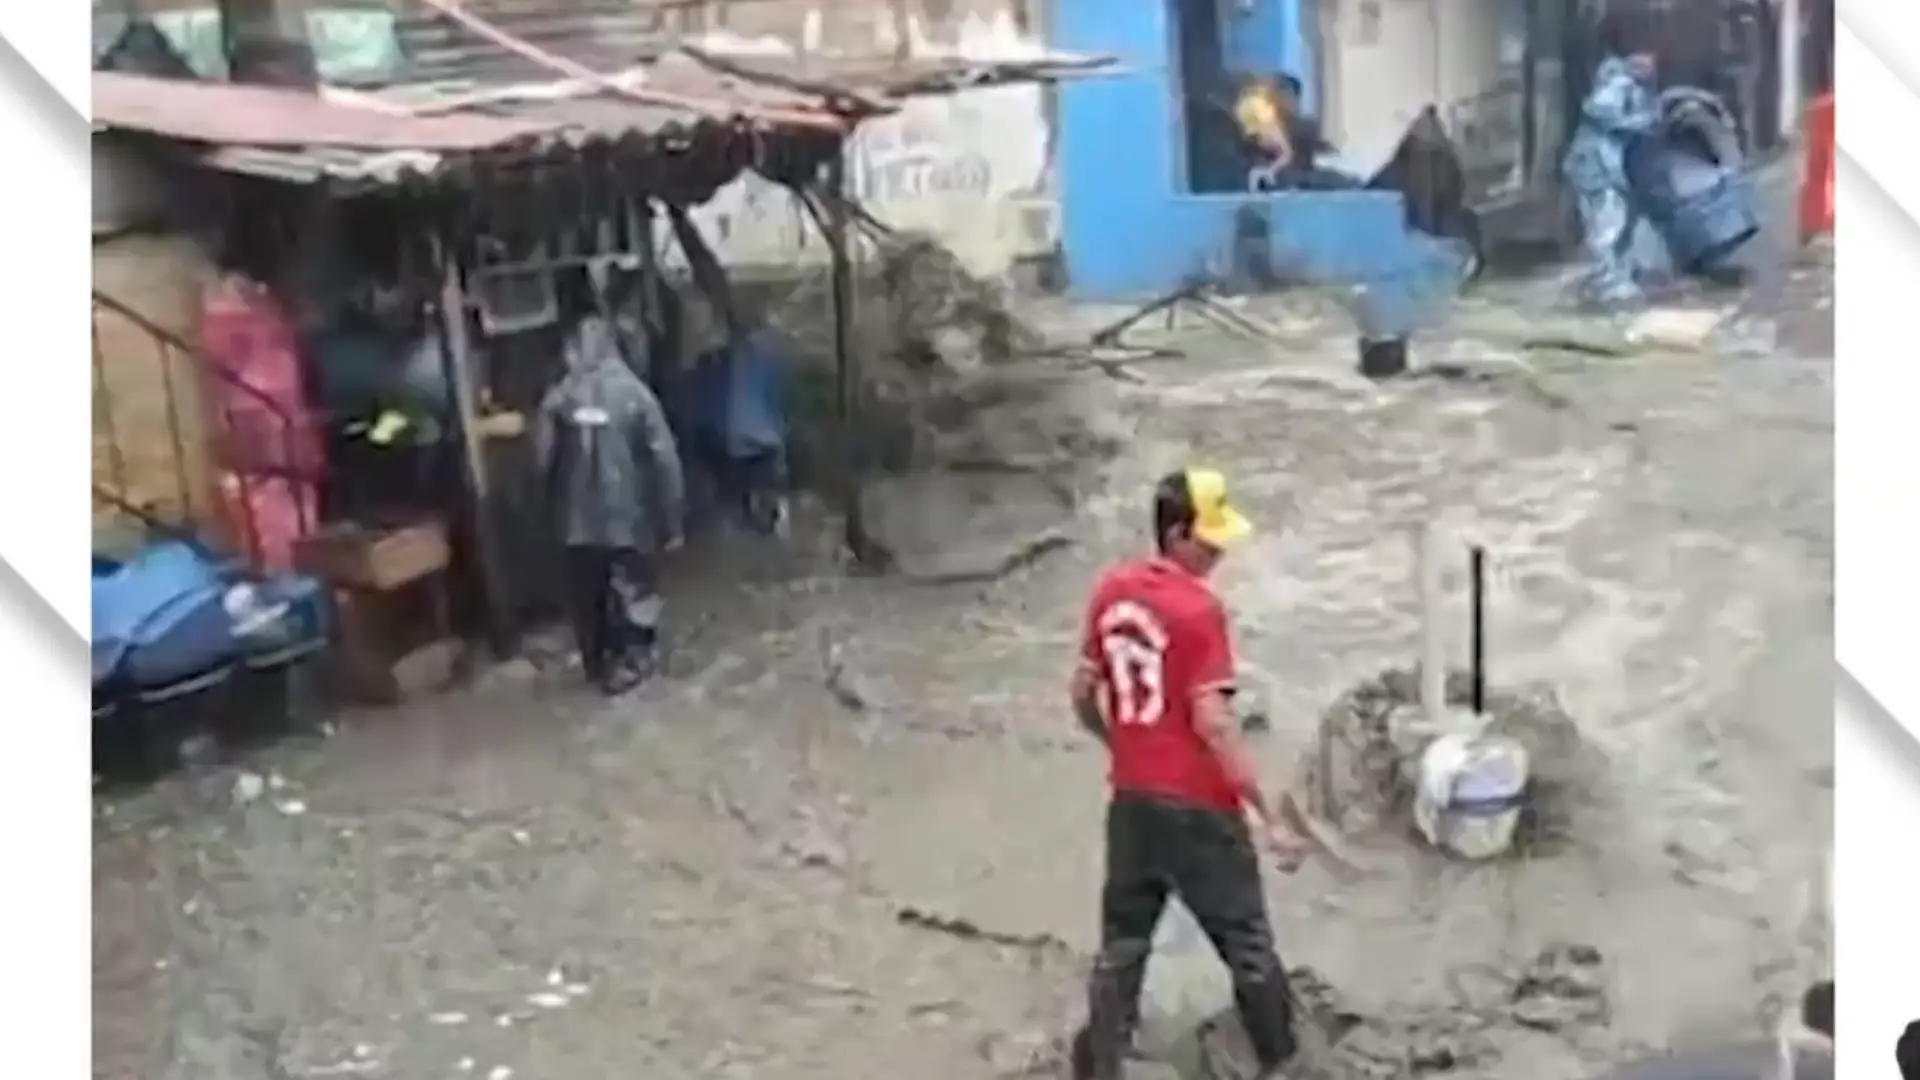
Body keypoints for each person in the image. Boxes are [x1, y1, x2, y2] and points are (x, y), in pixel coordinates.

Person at [1068, 468, 1315, 1080]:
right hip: (1199, 810)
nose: (1219, 553)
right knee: (1248, 946)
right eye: (1208, 541)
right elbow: (1214, 722)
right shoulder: (1198, 610)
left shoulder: (1111, 590)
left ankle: (1099, 1066)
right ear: (1176, 534)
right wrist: (1266, 812)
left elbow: (1081, 692)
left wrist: (1121, 746)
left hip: (1132, 804)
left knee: (1122, 946)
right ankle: (1285, 1062)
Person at [534, 313, 687, 696]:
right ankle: (634, 667)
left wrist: (548, 513)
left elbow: (540, 459)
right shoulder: (637, 396)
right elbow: (666, 462)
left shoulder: (559, 399)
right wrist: (672, 522)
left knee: (587, 602)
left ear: (575, 351)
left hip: (575, 527)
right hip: (628, 522)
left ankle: (597, 666)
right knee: (634, 596)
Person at [1564, 27, 1660, 307]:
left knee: (1612, 222)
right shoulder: (1620, 84)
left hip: (1596, 165)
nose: (1651, 67)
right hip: (1596, 166)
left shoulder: (1622, 83)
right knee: (1608, 223)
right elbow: (1598, 111)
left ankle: (1610, 277)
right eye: (1646, 60)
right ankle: (1609, 282)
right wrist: (1642, 122)